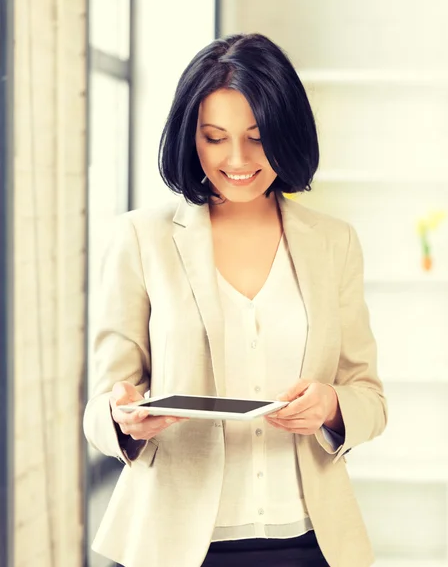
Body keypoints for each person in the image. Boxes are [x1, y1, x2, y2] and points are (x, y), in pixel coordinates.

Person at [83, 33, 387, 567]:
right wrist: (120, 417)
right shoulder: (141, 238)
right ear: (190, 138)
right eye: (215, 137)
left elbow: (368, 395)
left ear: (286, 132)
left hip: (309, 540)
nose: (239, 159)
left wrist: (332, 406)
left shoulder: (334, 242)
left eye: (257, 136)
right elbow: (100, 408)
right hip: (177, 543)